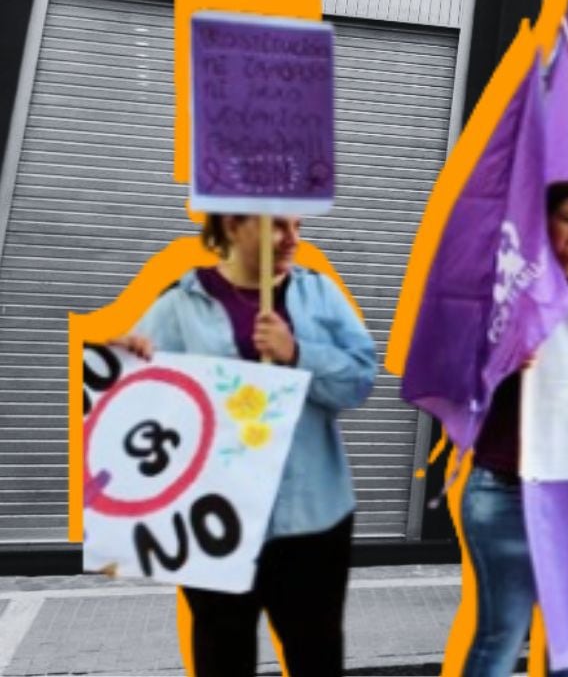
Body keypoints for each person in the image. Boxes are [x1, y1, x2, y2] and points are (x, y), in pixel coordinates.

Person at [111, 213, 376, 677]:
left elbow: (360, 383)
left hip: (312, 518)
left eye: (297, 225)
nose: (295, 238)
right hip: (215, 520)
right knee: (222, 656)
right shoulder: (179, 305)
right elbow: (139, 408)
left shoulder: (318, 293)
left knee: (316, 655)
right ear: (233, 225)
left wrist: (298, 354)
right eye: (278, 226)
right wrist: (129, 362)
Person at [462, 182, 568, 677]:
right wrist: (506, 358)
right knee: (503, 634)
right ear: (544, 226)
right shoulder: (510, 298)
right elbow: (462, 379)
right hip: (506, 489)